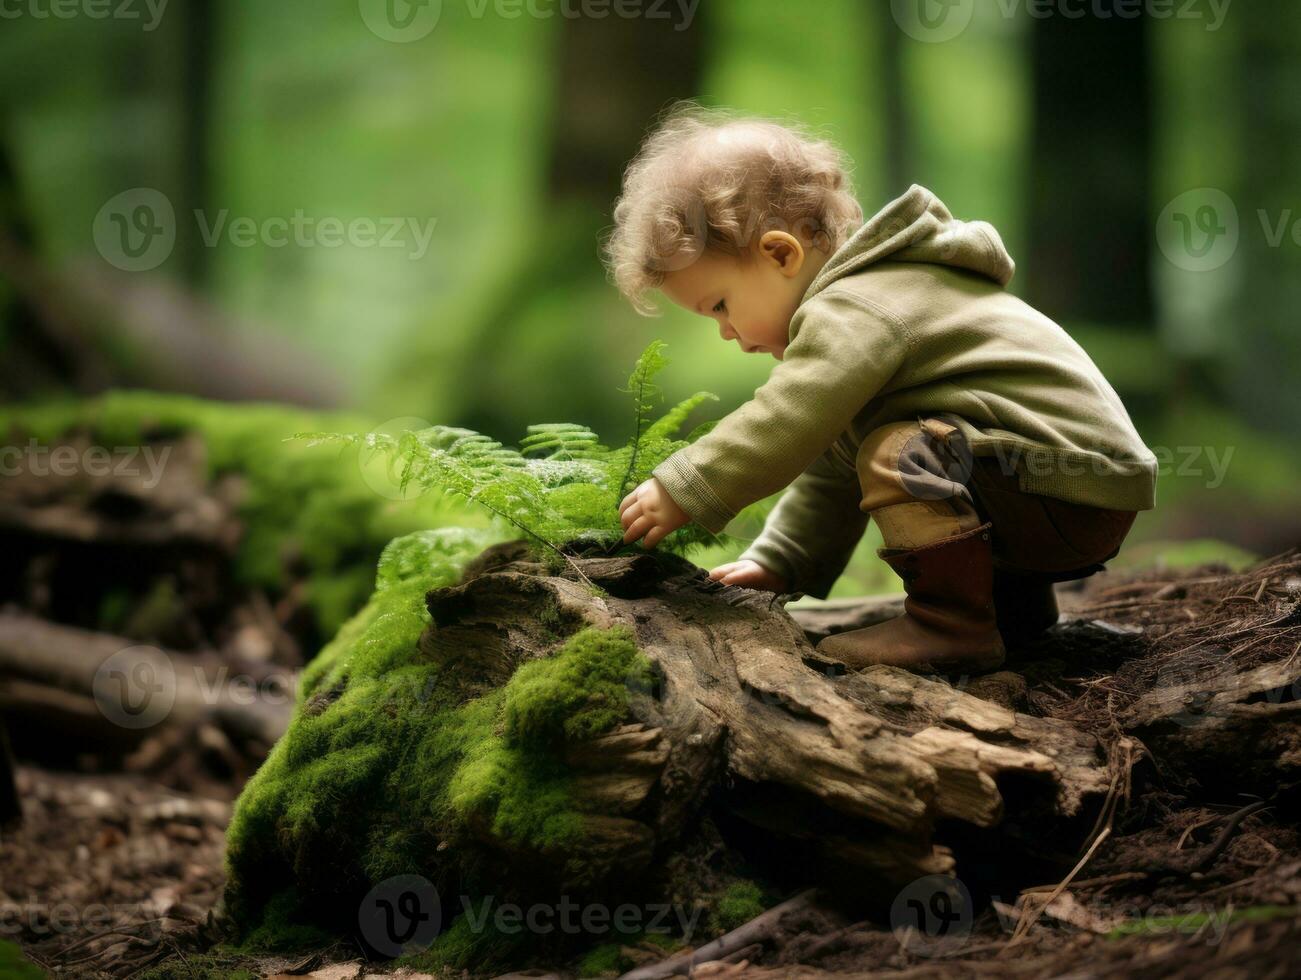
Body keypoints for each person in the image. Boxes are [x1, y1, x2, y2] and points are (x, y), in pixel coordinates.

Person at [603, 104, 1156, 673]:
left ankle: (950, 626)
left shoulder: (857, 305)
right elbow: (829, 457)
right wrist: (782, 558)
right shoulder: (881, 301)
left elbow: (790, 416)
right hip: (1070, 486)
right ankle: (1014, 617)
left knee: (901, 452)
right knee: (894, 442)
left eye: (721, 305)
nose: (727, 333)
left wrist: (690, 482)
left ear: (780, 254)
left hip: (1063, 488)